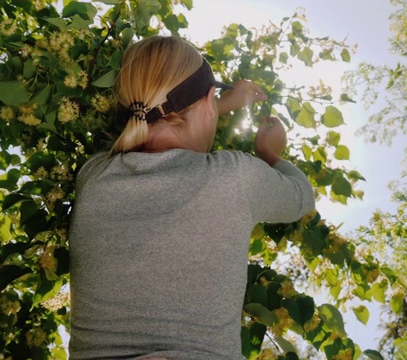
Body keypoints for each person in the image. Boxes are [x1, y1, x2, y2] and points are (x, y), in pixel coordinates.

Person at [68, 35, 315, 359]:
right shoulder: (235, 177)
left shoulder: (94, 177)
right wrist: (271, 152)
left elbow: (158, 120)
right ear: (209, 101)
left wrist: (212, 104)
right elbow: (302, 197)